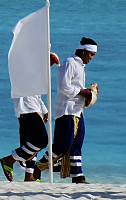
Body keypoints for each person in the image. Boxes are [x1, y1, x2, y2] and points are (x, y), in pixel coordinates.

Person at [39, 39, 98, 184]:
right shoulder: (69, 63)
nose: (92, 58)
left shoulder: (80, 65)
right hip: (66, 110)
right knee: (63, 144)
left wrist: (90, 95)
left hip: (78, 110)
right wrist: (83, 92)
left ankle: (78, 176)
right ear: (83, 51)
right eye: (91, 54)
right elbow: (63, 87)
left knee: (77, 143)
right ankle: (39, 167)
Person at [0, 52, 60, 182]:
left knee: (30, 144)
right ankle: (9, 160)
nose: (50, 66)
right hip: (27, 109)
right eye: (50, 63)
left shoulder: (37, 74)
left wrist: (45, 110)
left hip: (34, 109)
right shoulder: (28, 70)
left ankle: (29, 175)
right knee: (41, 140)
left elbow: (37, 96)